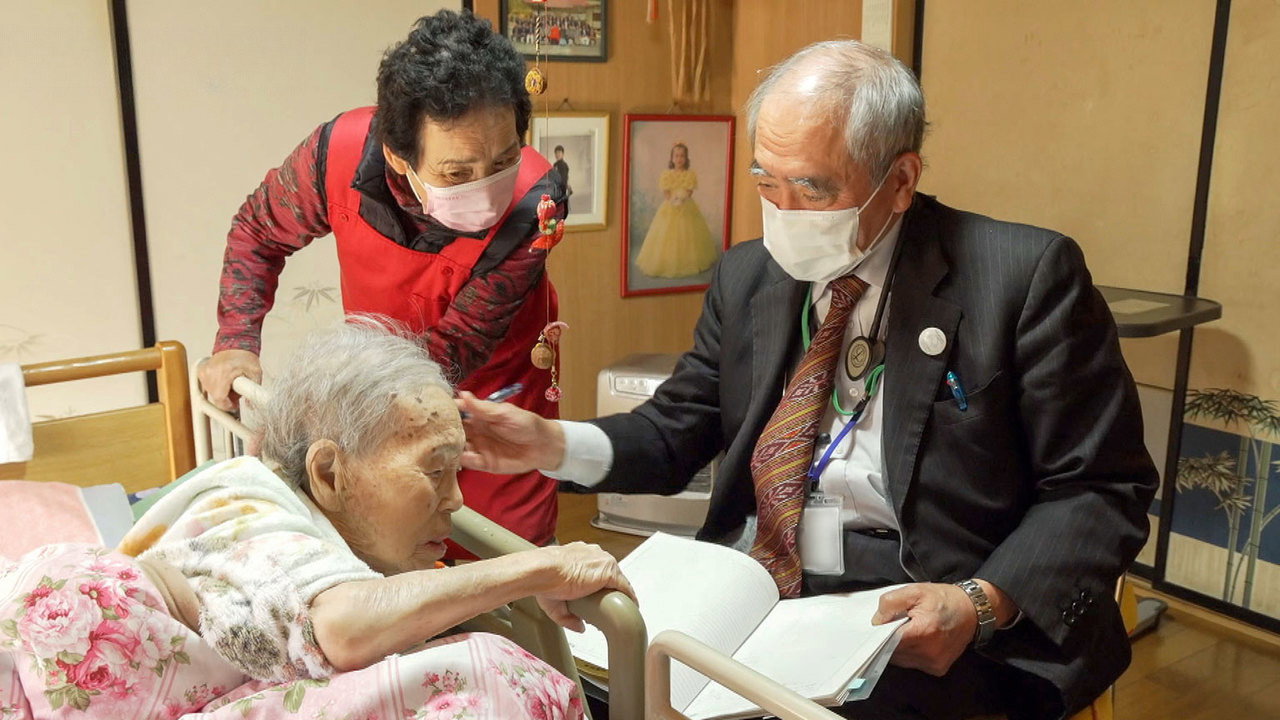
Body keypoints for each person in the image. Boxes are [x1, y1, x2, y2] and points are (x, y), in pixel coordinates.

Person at [458, 40, 1159, 720]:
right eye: (766, 182)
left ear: (901, 181)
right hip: (755, 578)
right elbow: (678, 429)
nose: (783, 213)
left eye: (812, 189)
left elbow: (1101, 486)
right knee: (584, 684)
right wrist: (550, 443)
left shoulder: (1021, 278)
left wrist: (981, 602)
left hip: (924, 601)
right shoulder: (748, 277)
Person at [0, 318, 630, 719]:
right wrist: (541, 567)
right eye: (435, 470)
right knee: (490, 671)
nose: (457, 501)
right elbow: (340, 628)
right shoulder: (251, 504)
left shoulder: (292, 516)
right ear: (328, 472)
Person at [196, 10, 567, 552]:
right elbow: (258, 232)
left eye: (504, 159)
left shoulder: (537, 202)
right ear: (396, 155)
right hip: (379, 392)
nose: (486, 187)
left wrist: (316, 416)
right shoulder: (336, 156)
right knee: (385, 557)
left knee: (505, 561)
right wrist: (235, 340)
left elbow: (456, 346)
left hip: (495, 406)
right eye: (457, 173)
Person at [634, 143, 719, 278]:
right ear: (672, 158)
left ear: (686, 158)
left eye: (682, 156)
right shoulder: (667, 174)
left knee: (688, 232)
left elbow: (689, 191)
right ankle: (668, 262)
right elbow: (666, 192)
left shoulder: (690, 174)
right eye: (676, 156)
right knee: (666, 234)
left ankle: (688, 261)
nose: (679, 159)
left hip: (686, 205)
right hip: (670, 206)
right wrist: (673, 200)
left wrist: (682, 198)